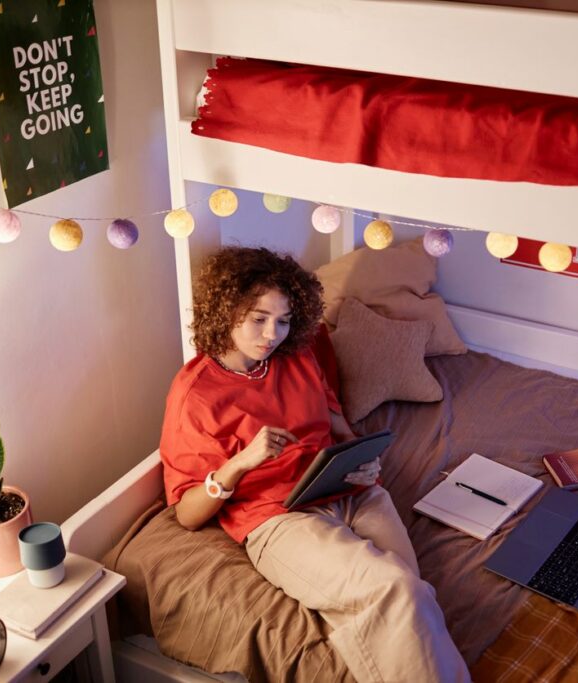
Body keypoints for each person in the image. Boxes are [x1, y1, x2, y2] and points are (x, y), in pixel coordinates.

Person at [160, 246, 470, 683]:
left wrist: (361, 459)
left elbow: (335, 423)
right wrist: (240, 463)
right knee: (395, 591)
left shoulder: (296, 353)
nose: (272, 334)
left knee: (413, 594)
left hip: (346, 486)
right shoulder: (195, 395)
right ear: (226, 309)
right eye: (259, 318)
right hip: (279, 518)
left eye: (283, 320)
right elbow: (188, 514)